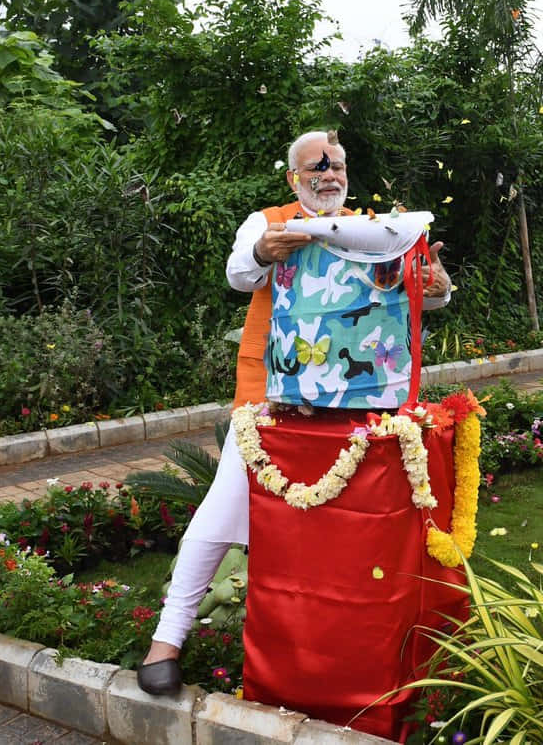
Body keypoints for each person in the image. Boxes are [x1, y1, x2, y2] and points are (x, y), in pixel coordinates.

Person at [137, 130, 451, 696]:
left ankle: (350, 656)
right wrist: (263, 252)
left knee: (354, 535)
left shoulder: (375, 230)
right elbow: (239, 273)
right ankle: (167, 639)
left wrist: (438, 287)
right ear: (294, 177)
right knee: (218, 516)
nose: (329, 175)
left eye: (338, 167)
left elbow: (415, 293)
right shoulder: (270, 223)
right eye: (316, 167)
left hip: (360, 409)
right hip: (270, 402)